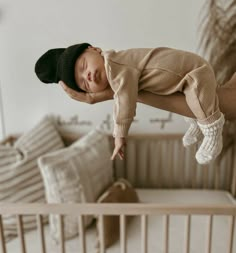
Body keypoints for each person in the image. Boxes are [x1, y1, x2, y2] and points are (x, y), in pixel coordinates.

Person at [35, 43, 226, 164]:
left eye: (84, 66)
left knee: (200, 102)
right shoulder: (115, 73)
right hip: (180, 83)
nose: (89, 75)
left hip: (195, 73)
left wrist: (119, 136)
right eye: (85, 83)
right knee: (189, 102)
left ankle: (212, 130)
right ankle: (197, 124)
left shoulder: (116, 66)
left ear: (95, 49)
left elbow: (124, 101)